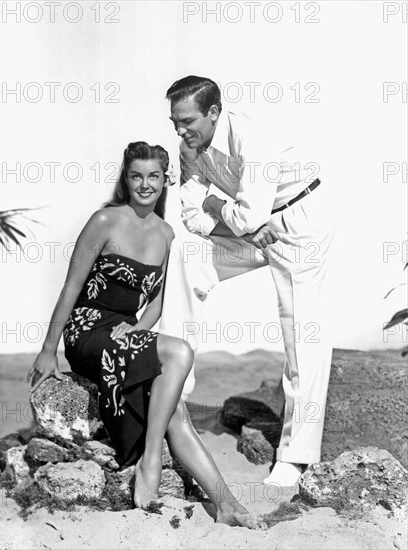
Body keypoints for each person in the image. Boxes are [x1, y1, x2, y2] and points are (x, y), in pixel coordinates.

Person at [27, 141, 266, 529]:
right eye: (136, 175)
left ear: (164, 179)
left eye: (153, 176)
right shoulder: (104, 221)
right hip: (87, 330)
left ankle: (227, 504)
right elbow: (71, 287)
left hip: (123, 333)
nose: (144, 184)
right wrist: (48, 350)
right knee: (180, 352)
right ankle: (150, 458)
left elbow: (156, 301)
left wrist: (137, 328)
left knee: (175, 410)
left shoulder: (166, 234)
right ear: (126, 178)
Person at [159, 76, 336, 488]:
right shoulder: (190, 147)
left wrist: (216, 203)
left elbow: (240, 214)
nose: (180, 131)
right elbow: (191, 217)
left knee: (302, 336)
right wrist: (235, 221)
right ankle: (174, 393)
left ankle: (296, 456)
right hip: (251, 233)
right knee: (187, 256)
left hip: (298, 222)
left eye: (187, 121)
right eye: (174, 122)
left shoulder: (253, 138)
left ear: (214, 112)